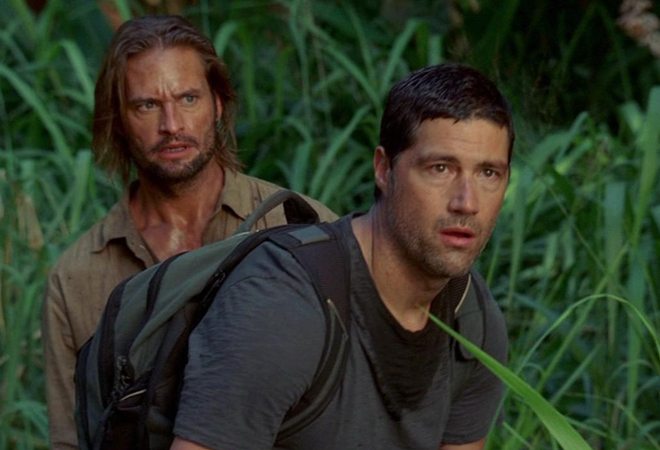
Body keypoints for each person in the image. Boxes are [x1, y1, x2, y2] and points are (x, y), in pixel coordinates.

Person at [170, 62, 513, 450]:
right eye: (440, 168)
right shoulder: (281, 305)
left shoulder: (473, 317)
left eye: (488, 174)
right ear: (384, 169)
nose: (467, 202)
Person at [41, 15, 337, 450]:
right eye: (147, 105)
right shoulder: (76, 279)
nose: (172, 125)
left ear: (217, 104)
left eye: (188, 98)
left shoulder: (298, 226)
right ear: (119, 119)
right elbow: (72, 440)